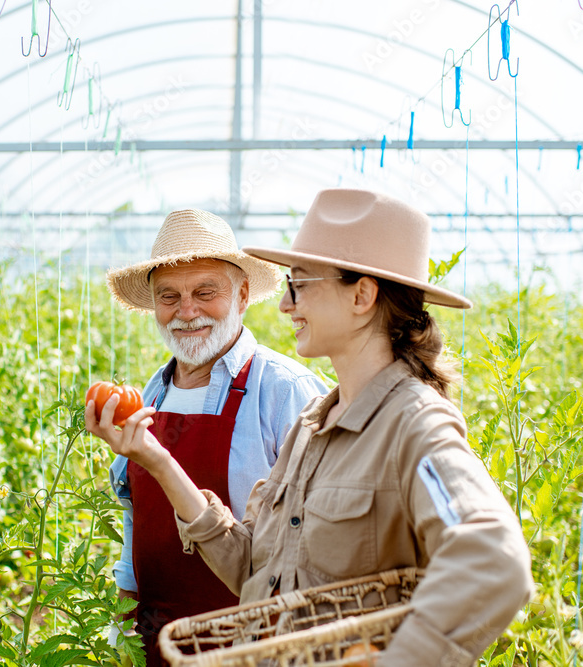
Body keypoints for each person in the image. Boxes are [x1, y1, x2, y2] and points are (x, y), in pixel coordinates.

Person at [88, 189, 534, 666]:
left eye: (299, 285)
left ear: (361, 295)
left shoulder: (413, 424)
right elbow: (256, 570)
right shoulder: (313, 425)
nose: (284, 304)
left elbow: (496, 565)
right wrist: (156, 459)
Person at [102, 208, 327, 665]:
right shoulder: (151, 392)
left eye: (206, 292)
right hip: (156, 640)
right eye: (169, 297)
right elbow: (134, 512)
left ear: (242, 295)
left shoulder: (284, 390)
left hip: (255, 643)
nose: (187, 312)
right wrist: (122, 612)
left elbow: (321, 541)